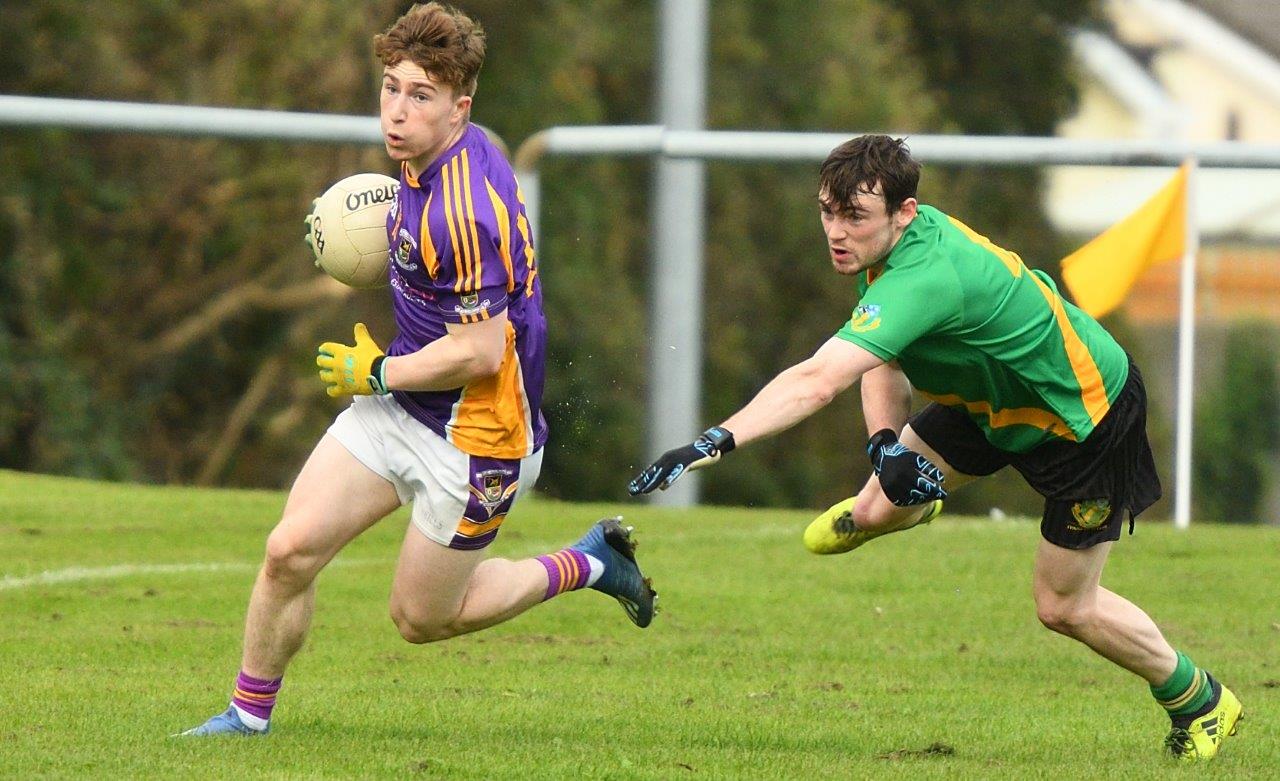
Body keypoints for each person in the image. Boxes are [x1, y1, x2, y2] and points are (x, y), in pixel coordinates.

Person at [629, 135, 1241, 762]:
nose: (836, 233)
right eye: (827, 213)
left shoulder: (924, 275)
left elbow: (817, 381)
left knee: (1063, 606)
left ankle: (1201, 699)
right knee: (871, 510)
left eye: (854, 217)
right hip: (986, 403)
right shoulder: (886, 253)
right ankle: (913, 499)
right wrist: (885, 448)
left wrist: (710, 442)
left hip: (1081, 418)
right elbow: (882, 356)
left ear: (905, 212)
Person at [181, 2, 655, 737]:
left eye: (420, 96)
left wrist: (375, 373)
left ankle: (588, 563)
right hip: (406, 397)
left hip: (477, 440)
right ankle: (247, 717)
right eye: (391, 88)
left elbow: (479, 352)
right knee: (288, 551)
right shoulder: (428, 158)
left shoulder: (461, 211)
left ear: (460, 108)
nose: (397, 111)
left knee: (421, 618)